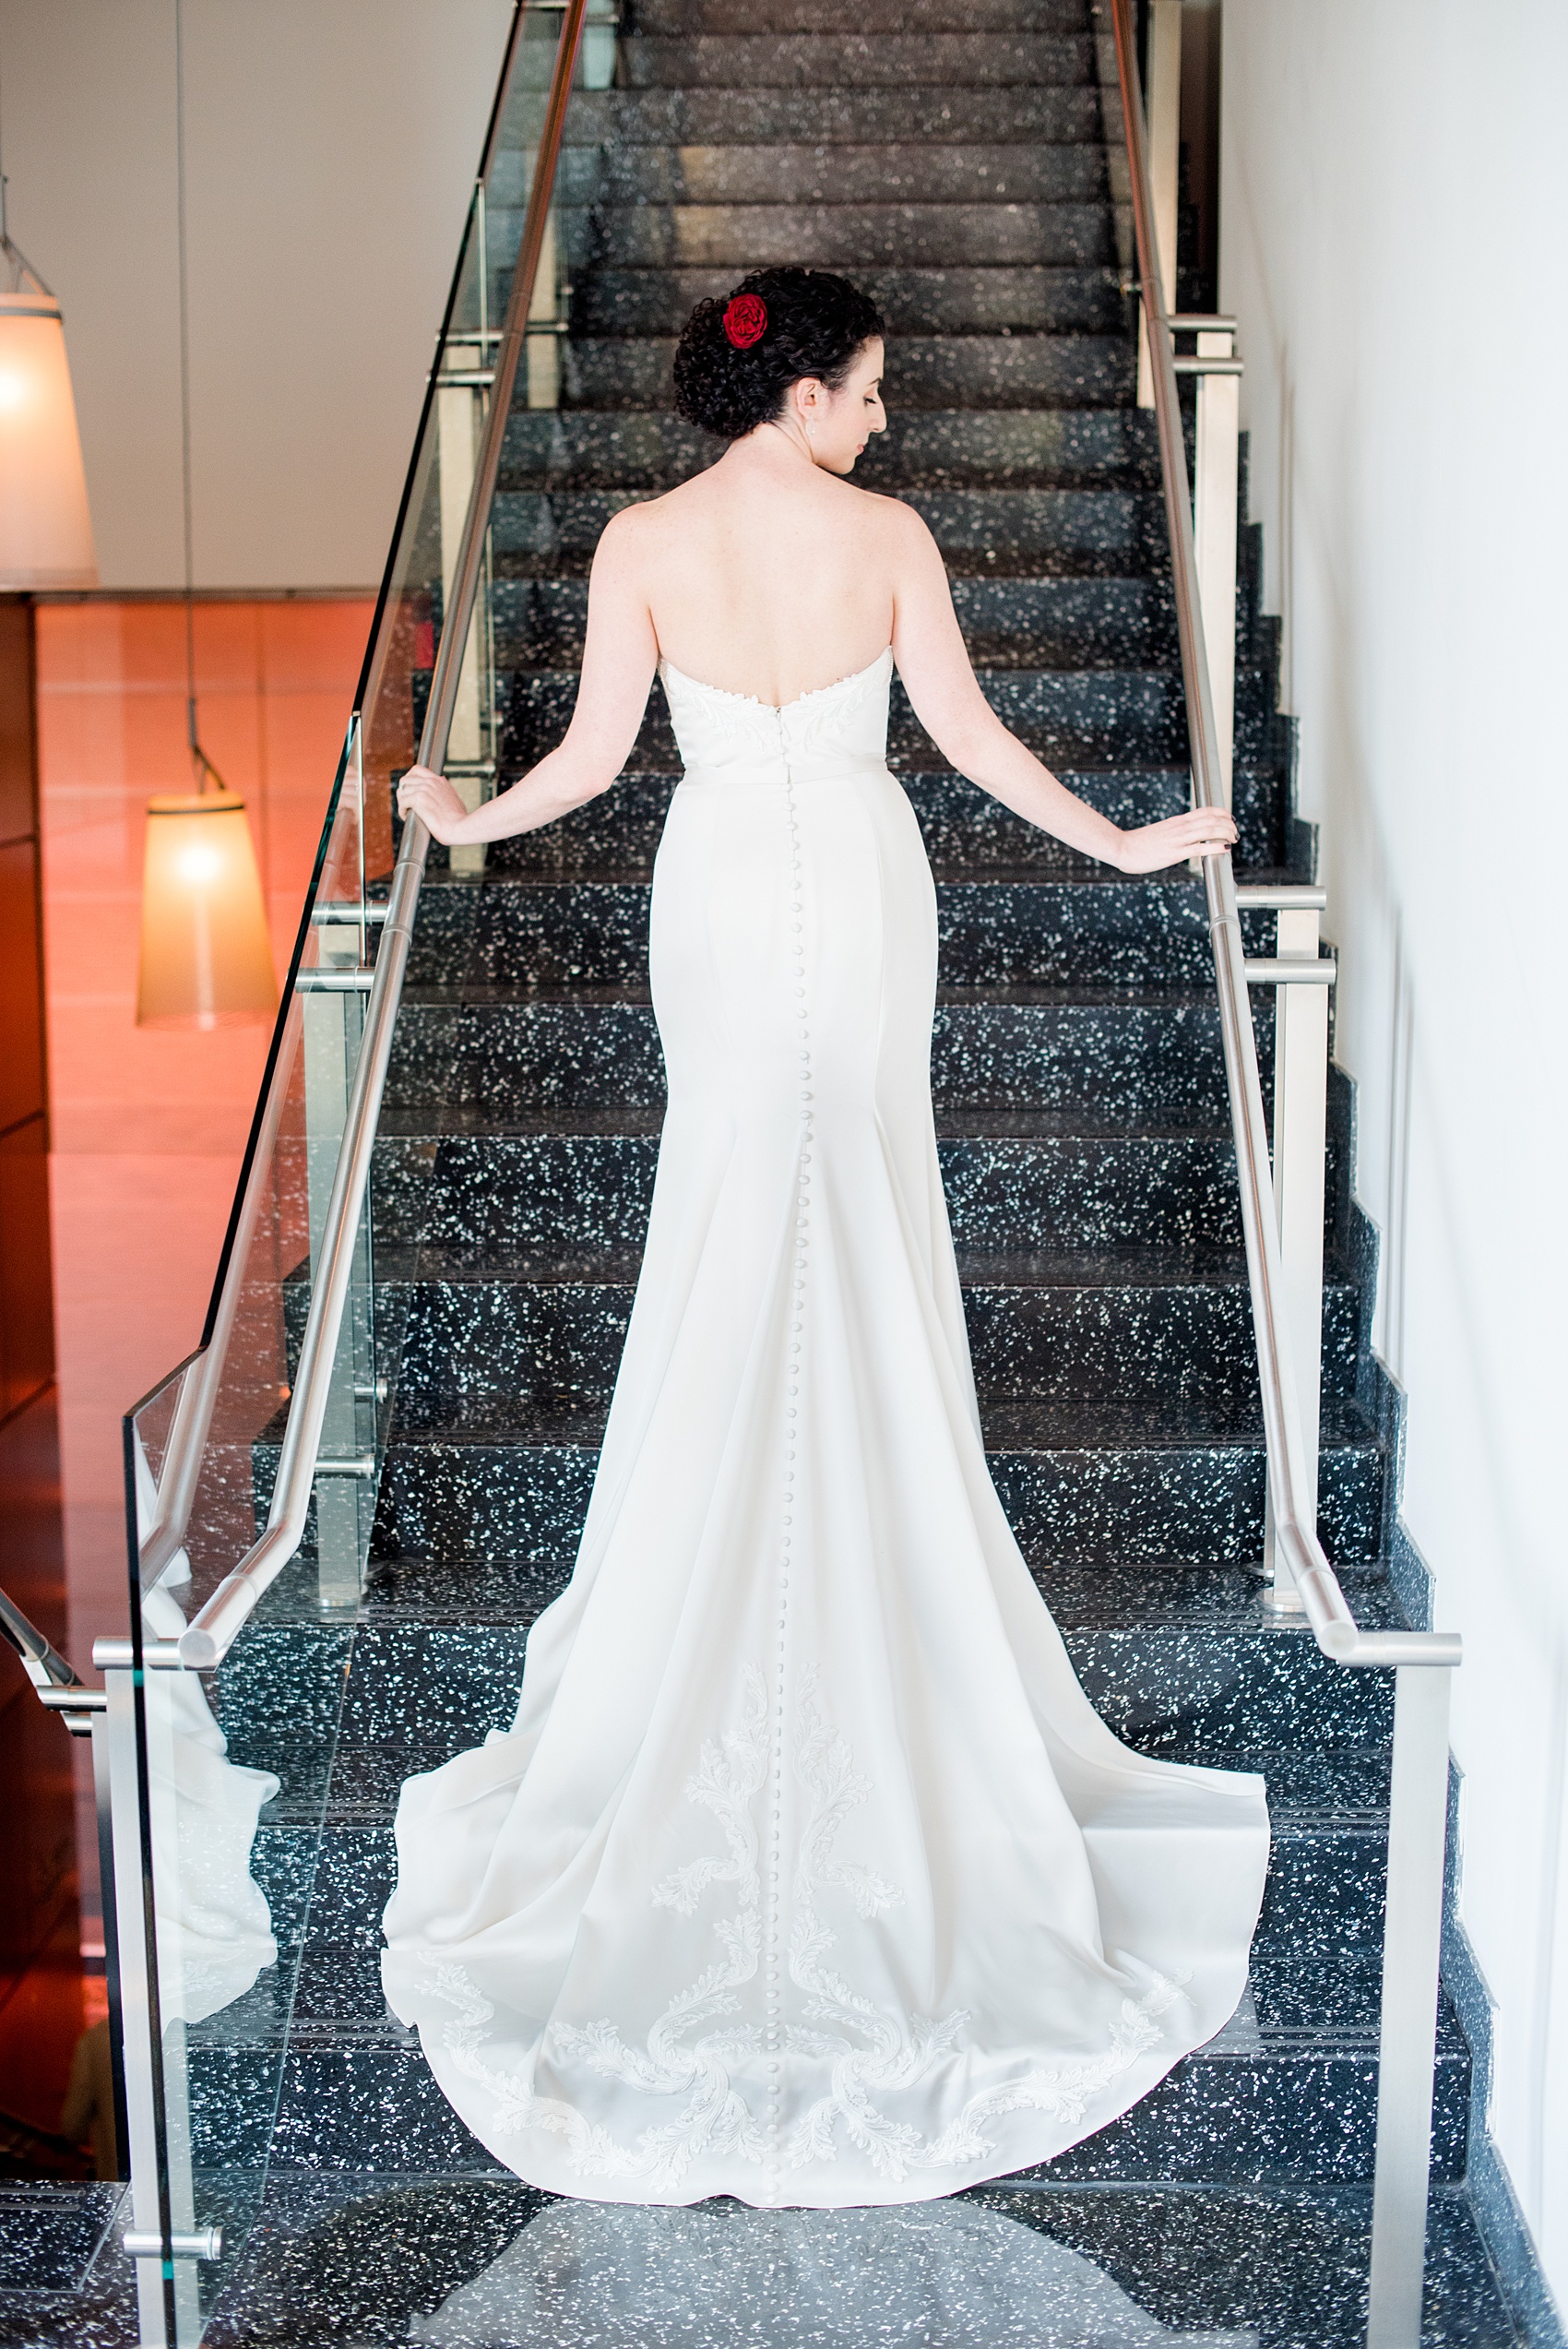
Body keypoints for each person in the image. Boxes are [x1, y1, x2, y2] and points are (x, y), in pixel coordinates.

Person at [384, 267, 1269, 2209]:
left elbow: (597, 767)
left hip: (716, 891)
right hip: (857, 894)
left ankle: (703, 1607)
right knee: (846, 1195)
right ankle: (875, 1577)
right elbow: (956, 744)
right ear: (795, 393)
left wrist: (461, 824)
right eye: (866, 388)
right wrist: (1121, 841)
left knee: (736, 1202)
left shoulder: (638, 538)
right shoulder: (884, 538)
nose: (881, 417)